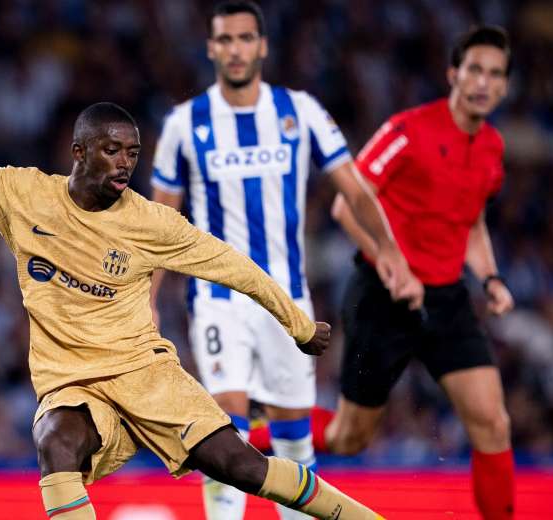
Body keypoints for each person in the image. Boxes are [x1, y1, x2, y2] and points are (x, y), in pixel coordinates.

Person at [0, 49, 383, 519]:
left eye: (132, 154)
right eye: (111, 150)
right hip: (73, 382)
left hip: (145, 373)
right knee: (55, 441)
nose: (125, 164)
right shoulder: (22, 195)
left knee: (240, 467)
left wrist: (298, 324)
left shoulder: (150, 223)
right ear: (78, 151)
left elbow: (232, 266)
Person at [149, 3, 420, 519]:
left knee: (294, 438)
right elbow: (160, 221)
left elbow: (356, 190)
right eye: (225, 40)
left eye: (245, 38)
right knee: (223, 431)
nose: (235, 49)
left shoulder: (301, 112)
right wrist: (148, 300)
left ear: (262, 45)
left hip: (286, 300)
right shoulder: (186, 124)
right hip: (217, 300)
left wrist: (390, 251)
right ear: (211, 48)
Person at [314, 25, 517, 520]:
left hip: (446, 300)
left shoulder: (492, 148)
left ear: (505, 85)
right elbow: (346, 206)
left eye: (495, 74)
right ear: (454, 74)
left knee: (493, 424)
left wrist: (489, 278)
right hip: (382, 298)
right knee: (348, 437)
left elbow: (471, 222)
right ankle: (249, 433)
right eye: (474, 70)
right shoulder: (408, 130)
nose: (483, 83)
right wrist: (391, 262)